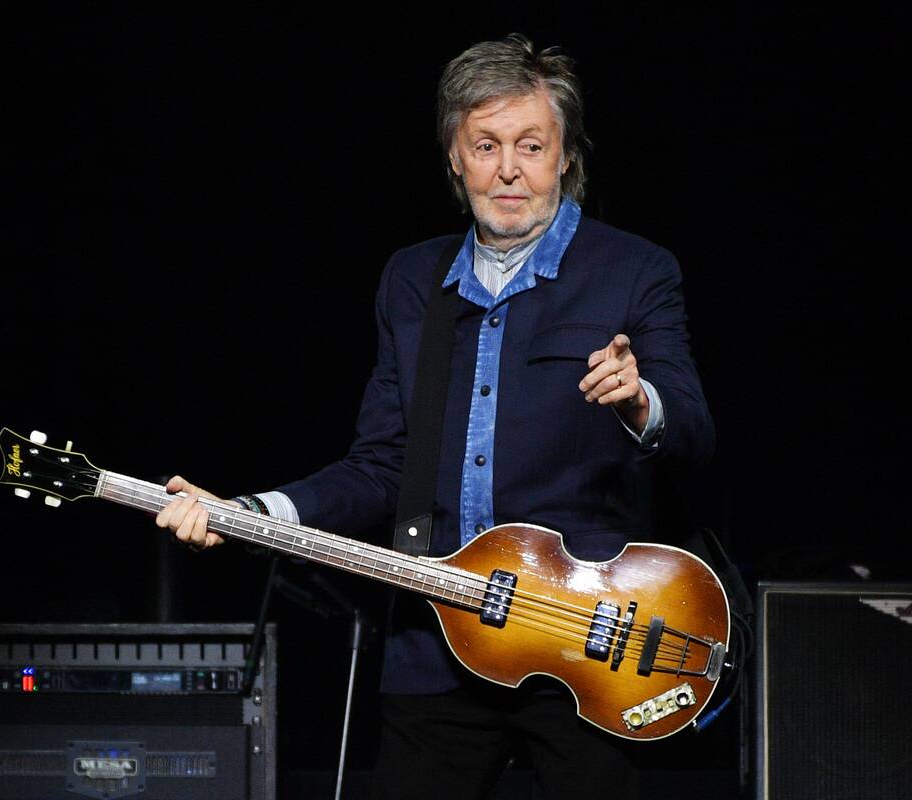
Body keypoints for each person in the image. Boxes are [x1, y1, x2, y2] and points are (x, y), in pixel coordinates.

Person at [156, 33, 714, 799]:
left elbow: (694, 433)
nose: (509, 169)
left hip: (590, 647)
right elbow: (380, 466)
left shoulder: (634, 269)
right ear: (455, 157)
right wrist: (252, 512)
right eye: (486, 145)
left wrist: (641, 400)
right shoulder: (413, 280)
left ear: (565, 155)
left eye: (530, 145)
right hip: (435, 648)